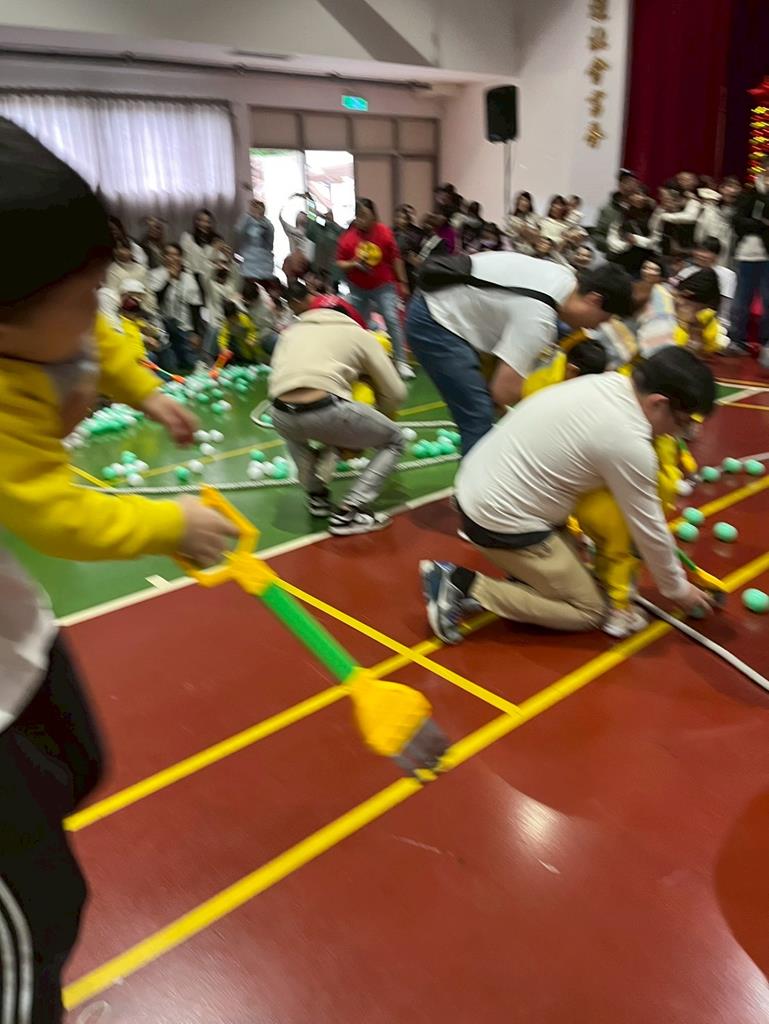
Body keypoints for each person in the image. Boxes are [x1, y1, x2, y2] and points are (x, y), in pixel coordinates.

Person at [0, 117, 237, 1024]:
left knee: (78, 762)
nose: (99, 308)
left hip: (15, 635)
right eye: (82, 294)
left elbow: (100, 343)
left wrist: (151, 392)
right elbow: (53, 514)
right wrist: (168, 524)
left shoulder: (48, 320)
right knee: (35, 916)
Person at [419, 347, 716, 644]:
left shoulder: (608, 383)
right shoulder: (628, 441)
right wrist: (679, 590)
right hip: (497, 518)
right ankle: (461, 584)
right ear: (658, 403)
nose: (678, 433)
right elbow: (648, 528)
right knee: (589, 610)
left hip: (478, 487)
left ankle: (525, 575)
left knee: (580, 578)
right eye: (682, 422)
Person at [406, 252, 634, 454]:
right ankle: (475, 489)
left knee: (489, 407)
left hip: (451, 303)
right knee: (478, 415)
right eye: (603, 319)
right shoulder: (539, 318)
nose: (596, 327)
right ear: (594, 299)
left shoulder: (564, 277)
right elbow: (503, 392)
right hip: (437, 318)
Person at [268, 306, 407, 534]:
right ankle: (351, 510)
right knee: (395, 440)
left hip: (280, 413)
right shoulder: (358, 334)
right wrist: (378, 417)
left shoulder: (291, 332)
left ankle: (317, 496)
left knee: (297, 436)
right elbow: (396, 393)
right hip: (328, 411)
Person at [336, 197, 414, 379]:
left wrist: (403, 282)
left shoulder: (384, 232)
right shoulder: (348, 238)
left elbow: (395, 259)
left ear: (374, 216)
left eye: (365, 215)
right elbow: (339, 263)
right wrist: (354, 264)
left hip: (383, 286)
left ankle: (401, 362)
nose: (361, 219)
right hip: (358, 288)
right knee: (358, 325)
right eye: (359, 215)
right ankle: (359, 362)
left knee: (392, 319)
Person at [730, 154, 769, 356]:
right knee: (741, 299)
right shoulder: (750, 192)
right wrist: (761, 224)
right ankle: (736, 339)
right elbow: (737, 221)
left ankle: (765, 341)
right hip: (748, 254)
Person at [151, 243, 205, 370]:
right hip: (163, 326)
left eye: (176, 255)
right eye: (168, 254)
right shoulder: (155, 274)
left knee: (191, 363)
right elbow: (155, 302)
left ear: (181, 258)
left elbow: (195, 307)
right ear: (163, 257)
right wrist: (169, 281)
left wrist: (196, 333)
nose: (172, 258)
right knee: (171, 367)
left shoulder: (188, 277)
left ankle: (194, 360)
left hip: (184, 328)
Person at [678, 237, 736, 332]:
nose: (701, 254)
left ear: (716, 255)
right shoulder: (685, 272)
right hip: (684, 320)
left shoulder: (727, 275)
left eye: (706, 252)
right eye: (699, 250)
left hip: (713, 324)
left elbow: (725, 306)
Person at [695, 180, 740, 267]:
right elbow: (700, 233)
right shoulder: (709, 209)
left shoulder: (739, 212)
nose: (732, 190)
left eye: (736, 187)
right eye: (729, 186)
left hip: (730, 255)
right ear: (721, 189)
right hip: (709, 251)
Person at [594, 169, 640, 253]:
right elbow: (598, 236)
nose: (629, 186)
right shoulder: (607, 209)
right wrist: (611, 247)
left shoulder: (643, 208)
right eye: (625, 182)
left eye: (632, 182)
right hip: (614, 254)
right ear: (619, 185)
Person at [236, 198, 274, 284]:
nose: (257, 210)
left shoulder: (268, 225)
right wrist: (249, 215)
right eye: (254, 207)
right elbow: (239, 231)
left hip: (264, 263)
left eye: (259, 208)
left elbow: (270, 244)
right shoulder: (246, 221)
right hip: (249, 262)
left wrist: (260, 220)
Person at [180, 208, 220, 277]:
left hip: (210, 276)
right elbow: (183, 259)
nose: (204, 224)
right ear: (196, 222)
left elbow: (218, 261)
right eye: (201, 220)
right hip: (190, 275)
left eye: (207, 222)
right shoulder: (187, 237)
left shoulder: (217, 239)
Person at [393, 205, 424, 291]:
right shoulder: (391, 232)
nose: (399, 220)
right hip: (395, 268)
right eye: (398, 217)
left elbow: (416, 254)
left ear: (407, 220)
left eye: (403, 218)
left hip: (410, 269)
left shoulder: (415, 234)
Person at [506, 191, 540, 255]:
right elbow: (523, 232)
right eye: (521, 200)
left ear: (529, 203)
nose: (523, 203)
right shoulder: (512, 219)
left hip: (534, 252)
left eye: (526, 200)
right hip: (517, 252)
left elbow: (537, 238)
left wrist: (525, 229)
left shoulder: (535, 217)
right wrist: (531, 231)